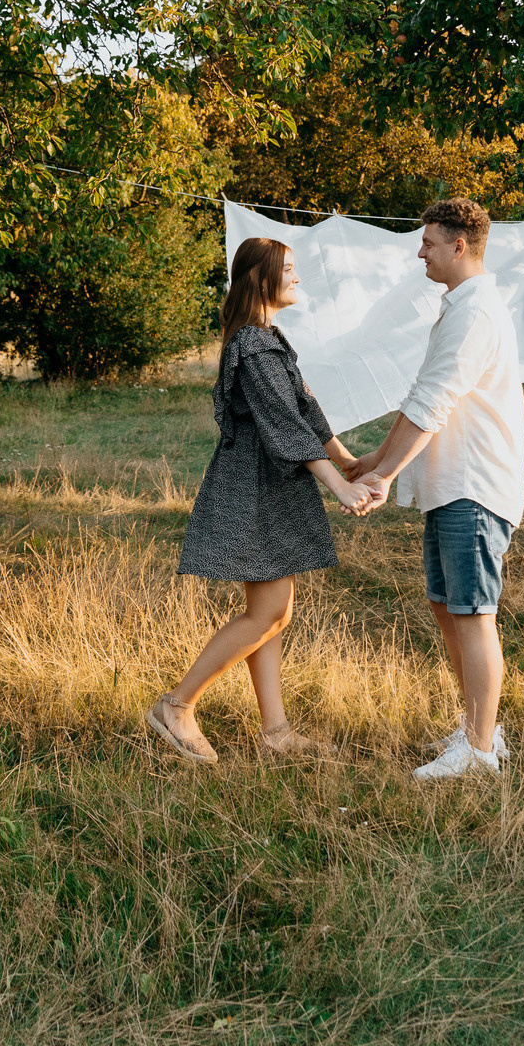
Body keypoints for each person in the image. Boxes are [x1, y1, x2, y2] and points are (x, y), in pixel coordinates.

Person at [148, 237, 383, 764]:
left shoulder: (266, 338)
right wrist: (339, 486)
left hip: (269, 485)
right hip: (253, 488)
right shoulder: (253, 346)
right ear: (261, 278)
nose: (297, 278)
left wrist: (346, 460)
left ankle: (275, 731)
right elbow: (282, 425)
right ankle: (177, 705)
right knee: (269, 612)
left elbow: (304, 408)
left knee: (272, 614)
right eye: (290, 270)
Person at [348, 198, 524, 779]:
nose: (419, 251)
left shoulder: (475, 313)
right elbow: (424, 396)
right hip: (451, 486)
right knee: (446, 605)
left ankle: (476, 750)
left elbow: (433, 401)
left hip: (474, 486)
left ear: (459, 245)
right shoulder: (459, 308)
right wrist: (377, 457)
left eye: (427, 242)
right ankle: (481, 729)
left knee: (473, 613)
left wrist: (385, 476)